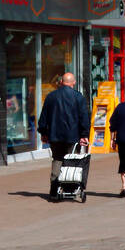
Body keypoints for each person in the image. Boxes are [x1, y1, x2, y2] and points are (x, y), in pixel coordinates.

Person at [37, 70, 90, 202]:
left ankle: (54, 189)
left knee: (57, 160)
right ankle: (70, 188)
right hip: (73, 136)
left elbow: (44, 117)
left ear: (61, 82)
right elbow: (84, 118)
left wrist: (43, 132)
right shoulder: (79, 97)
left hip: (55, 135)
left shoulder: (51, 97)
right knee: (72, 161)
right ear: (74, 83)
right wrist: (84, 134)